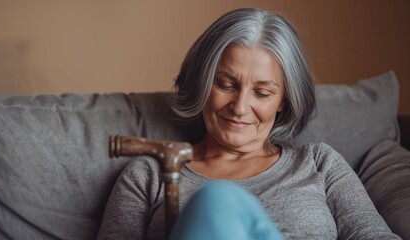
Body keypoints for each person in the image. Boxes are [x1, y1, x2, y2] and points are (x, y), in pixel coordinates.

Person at [97, 8, 400, 239]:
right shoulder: (149, 175)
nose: (240, 107)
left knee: (219, 199)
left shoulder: (319, 164)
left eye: (262, 92)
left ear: (283, 100)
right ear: (203, 84)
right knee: (217, 201)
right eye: (226, 85)